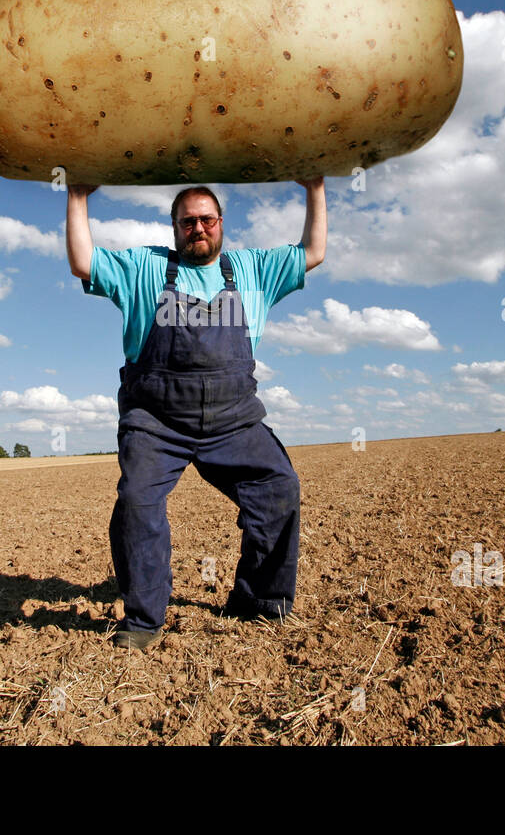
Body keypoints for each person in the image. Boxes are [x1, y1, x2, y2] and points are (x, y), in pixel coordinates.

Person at [66, 178, 326, 650]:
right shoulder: (143, 267)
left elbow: (314, 249)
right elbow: (83, 261)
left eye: (207, 220)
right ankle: (144, 619)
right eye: (188, 222)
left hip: (233, 420)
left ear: (221, 224)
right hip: (156, 422)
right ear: (175, 228)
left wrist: (314, 185)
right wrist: (78, 195)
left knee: (279, 487)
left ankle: (260, 602)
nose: (198, 228)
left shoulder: (251, 269)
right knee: (138, 502)